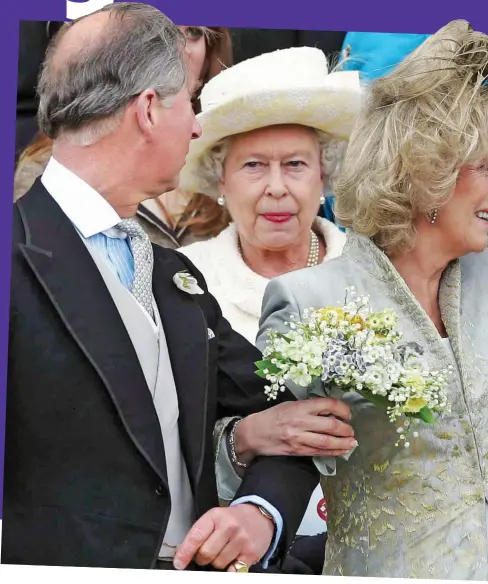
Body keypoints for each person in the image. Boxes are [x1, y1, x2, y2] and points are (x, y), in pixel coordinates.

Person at [256, 20, 488, 582]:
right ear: (425, 177)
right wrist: (244, 438)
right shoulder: (310, 302)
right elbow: (262, 451)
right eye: (486, 168)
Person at [4, 3, 320, 571]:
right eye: (192, 102)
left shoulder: (174, 278)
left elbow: (288, 407)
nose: (198, 126)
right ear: (149, 109)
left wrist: (260, 512)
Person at [178, 46, 361, 574]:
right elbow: (169, 439)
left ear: (324, 176)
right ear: (220, 181)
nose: (276, 187)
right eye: (254, 166)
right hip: (238, 551)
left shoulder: (376, 272)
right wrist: (242, 440)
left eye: (296, 165)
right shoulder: (185, 281)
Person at [13, 24, 233, 246]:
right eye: (160, 30)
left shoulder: (231, 154)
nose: (177, 47)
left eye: (193, 32)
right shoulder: (51, 167)